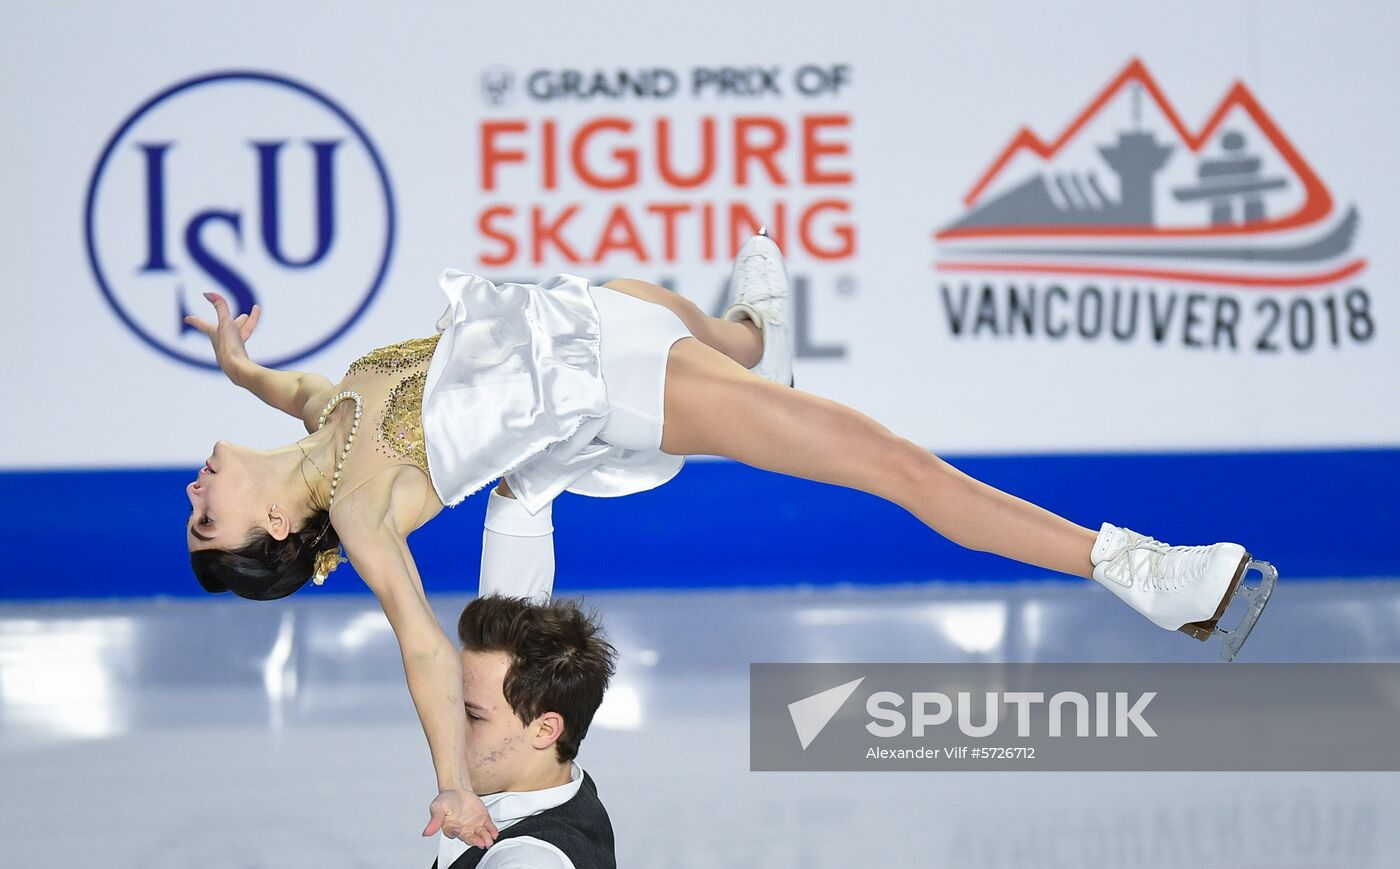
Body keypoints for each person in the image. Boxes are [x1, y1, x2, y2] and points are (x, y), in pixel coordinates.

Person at [183, 232, 1275, 845]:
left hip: (594, 319)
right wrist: (450, 781)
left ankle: (760, 342)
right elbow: (424, 645)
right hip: (614, 387)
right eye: (204, 514)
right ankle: (1139, 569)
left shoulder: (327, 415)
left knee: (681, 309)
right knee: (892, 463)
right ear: (279, 526)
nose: (196, 484)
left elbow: (296, 387)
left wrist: (238, 365)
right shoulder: (366, 514)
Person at [430, 593, 617, 869]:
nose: (449, 726)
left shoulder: (529, 861)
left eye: (473, 715)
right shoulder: (565, 785)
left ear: (545, 730)